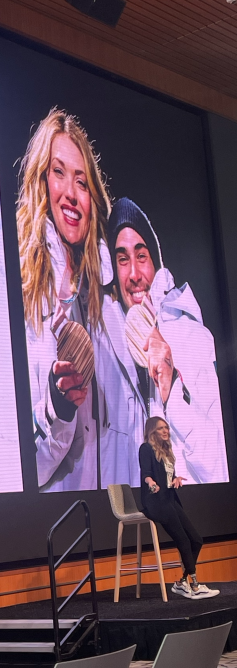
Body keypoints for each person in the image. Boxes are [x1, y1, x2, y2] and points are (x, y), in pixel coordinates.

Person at [18, 108, 139, 492]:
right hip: (57, 531)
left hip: (118, 529)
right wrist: (59, 408)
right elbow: (22, 469)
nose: (71, 192)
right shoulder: (21, 292)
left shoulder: (110, 300)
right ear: (41, 181)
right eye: (58, 172)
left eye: (82, 181)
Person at [105, 198, 228, 485]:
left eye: (142, 256)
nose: (134, 274)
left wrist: (171, 386)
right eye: (123, 260)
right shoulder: (110, 353)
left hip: (193, 514)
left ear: (157, 264)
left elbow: (218, 465)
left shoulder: (194, 338)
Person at [139, 417, 219, 598]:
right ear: (152, 431)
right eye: (161, 428)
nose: (166, 431)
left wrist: (174, 479)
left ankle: (182, 582)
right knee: (183, 540)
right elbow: (147, 474)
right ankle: (195, 586)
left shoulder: (167, 450)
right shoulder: (146, 449)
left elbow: (168, 476)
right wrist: (151, 483)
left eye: (166, 427)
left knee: (196, 540)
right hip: (156, 501)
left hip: (170, 499)